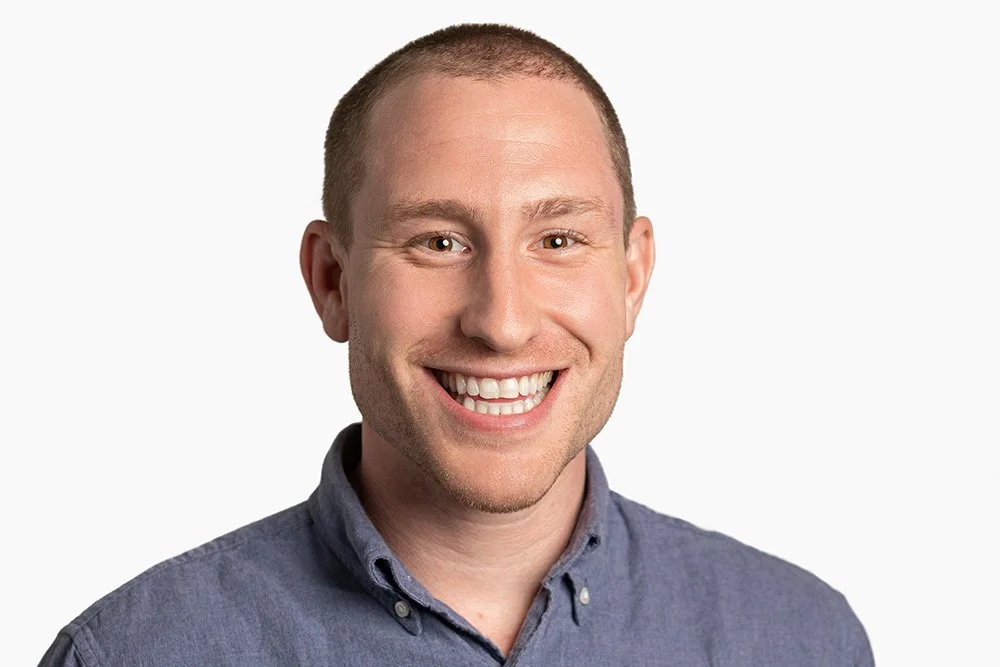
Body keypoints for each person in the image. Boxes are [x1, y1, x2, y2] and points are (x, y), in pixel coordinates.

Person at [40, 23, 873, 666]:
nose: (501, 322)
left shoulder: (803, 640)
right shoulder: (131, 653)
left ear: (631, 277)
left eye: (557, 240)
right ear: (332, 280)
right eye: (438, 242)